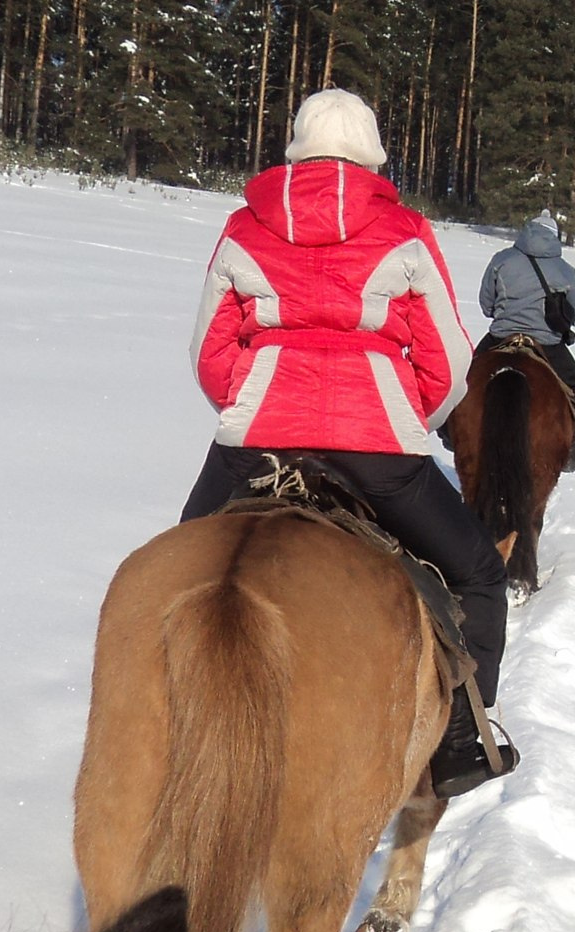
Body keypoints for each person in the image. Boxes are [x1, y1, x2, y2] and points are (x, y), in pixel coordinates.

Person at [181, 88, 515, 798]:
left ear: (295, 144)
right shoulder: (405, 231)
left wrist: (249, 401)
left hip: (256, 439)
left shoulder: (244, 227)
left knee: (180, 568)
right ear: (373, 151)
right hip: (379, 449)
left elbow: (209, 350)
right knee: (481, 572)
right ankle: (462, 735)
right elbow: (449, 361)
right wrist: (404, 415)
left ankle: (167, 721)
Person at [478, 210, 575, 469]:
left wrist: (501, 314)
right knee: (574, 384)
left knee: (465, 378)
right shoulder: (564, 269)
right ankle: (570, 447)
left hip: (500, 336)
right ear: (555, 237)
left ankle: (451, 432)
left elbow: (486, 302)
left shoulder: (502, 259)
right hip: (547, 343)